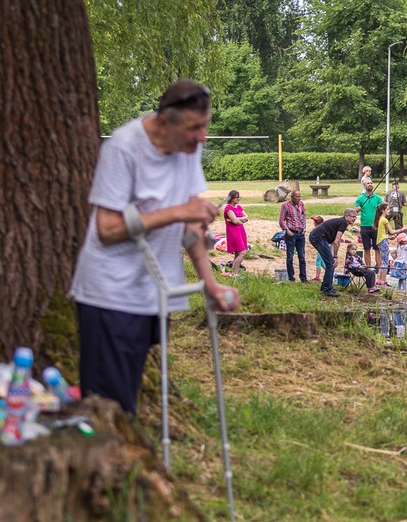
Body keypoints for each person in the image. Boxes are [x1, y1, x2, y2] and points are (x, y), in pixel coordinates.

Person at [70, 79, 238, 416]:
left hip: (153, 292)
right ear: (165, 121)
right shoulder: (123, 147)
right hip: (111, 294)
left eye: (204, 126)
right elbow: (107, 229)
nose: (202, 136)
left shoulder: (187, 147)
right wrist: (177, 212)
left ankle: (118, 457)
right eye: (194, 128)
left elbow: (191, 226)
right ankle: (108, 463)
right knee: (109, 405)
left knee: (124, 395)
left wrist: (210, 283)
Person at [309, 208, 357, 297]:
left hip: (317, 237)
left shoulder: (342, 222)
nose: (354, 219)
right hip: (318, 237)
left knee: (330, 263)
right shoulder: (343, 223)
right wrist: (335, 257)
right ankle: (327, 289)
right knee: (330, 264)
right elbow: (336, 242)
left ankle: (325, 287)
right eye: (352, 217)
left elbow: (335, 242)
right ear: (346, 216)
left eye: (356, 217)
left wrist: (334, 256)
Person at [279, 189, 307, 282]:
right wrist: (287, 230)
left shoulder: (301, 204)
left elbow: (303, 216)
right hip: (291, 232)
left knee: (302, 256)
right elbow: (281, 220)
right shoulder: (285, 205)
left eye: (300, 196)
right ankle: (291, 277)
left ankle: (303, 278)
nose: (299, 198)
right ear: (292, 197)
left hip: (300, 233)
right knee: (290, 256)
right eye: (297, 196)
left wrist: (304, 228)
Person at [355, 180, 383, 268]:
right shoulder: (360, 198)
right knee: (366, 249)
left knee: (377, 249)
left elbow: (382, 210)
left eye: (371, 183)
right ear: (364, 186)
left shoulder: (378, 198)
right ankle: (368, 269)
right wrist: (358, 209)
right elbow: (355, 210)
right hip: (364, 226)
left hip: (375, 226)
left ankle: (379, 269)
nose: (370, 184)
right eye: (368, 183)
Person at [375, 203, 403, 287]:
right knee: (385, 262)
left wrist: (389, 237)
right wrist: (402, 229)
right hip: (383, 241)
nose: (389, 210)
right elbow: (392, 231)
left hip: (381, 241)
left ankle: (380, 280)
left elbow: (384, 233)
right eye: (387, 209)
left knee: (384, 261)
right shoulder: (384, 220)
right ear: (383, 211)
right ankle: (383, 280)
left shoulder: (380, 219)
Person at [223, 190, 248, 277]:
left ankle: (234, 272)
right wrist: (239, 220)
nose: (239, 199)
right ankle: (234, 273)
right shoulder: (228, 208)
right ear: (232, 198)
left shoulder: (239, 207)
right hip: (233, 232)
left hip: (241, 230)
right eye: (237, 197)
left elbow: (246, 218)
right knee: (242, 253)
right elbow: (234, 221)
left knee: (238, 253)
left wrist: (238, 219)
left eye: (239, 197)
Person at [311, 216, 325, 281]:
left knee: (318, 262)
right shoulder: (323, 228)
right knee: (322, 262)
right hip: (322, 247)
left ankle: (317, 277)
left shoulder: (318, 230)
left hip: (321, 247)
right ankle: (330, 272)